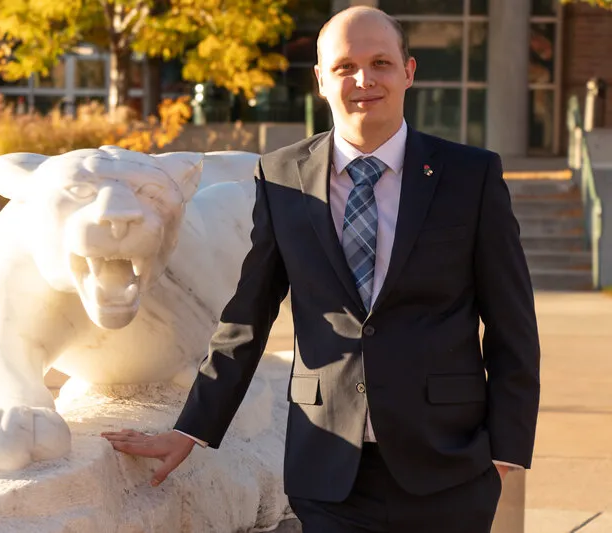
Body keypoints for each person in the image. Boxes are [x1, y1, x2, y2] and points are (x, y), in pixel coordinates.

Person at [102, 6, 540, 532]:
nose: (364, 80)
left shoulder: (471, 176)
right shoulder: (282, 176)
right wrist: (191, 429)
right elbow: (249, 314)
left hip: (449, 466)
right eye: (345, 66)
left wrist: (508, 448)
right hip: (327, 469)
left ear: (409, 71)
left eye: (380, 62)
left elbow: (513, 324)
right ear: (320, 79)